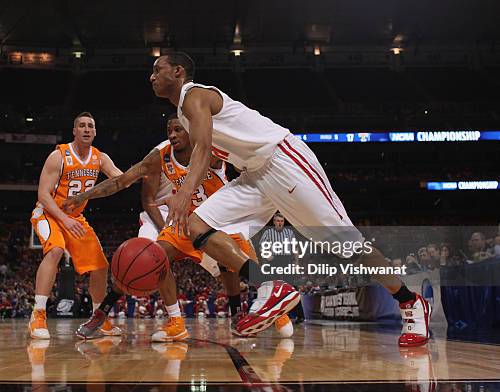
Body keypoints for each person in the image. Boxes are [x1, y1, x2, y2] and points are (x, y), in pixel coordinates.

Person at [148, 52, 431, 346]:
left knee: (349, 245)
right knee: (198, 225)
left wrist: (183, 193)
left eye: (158, 69)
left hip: (283, 161)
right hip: (255, 175)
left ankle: (409, 301)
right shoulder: (183, 113)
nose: (151, 76)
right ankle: (270, 286)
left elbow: (203, 149)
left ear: (178, 71)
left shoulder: (194, 95)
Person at [64, 116, 293, 340]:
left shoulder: (211, 149)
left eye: (178, 130)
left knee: (237, 263)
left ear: (191, 131)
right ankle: (175, 321)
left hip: (222, 220)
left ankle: (271, 307)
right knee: (155, 257)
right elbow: (120, 181)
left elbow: (248, 159)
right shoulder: (160, 156)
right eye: (169, 130)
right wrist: (85, 195)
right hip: (188, 223)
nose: (172, 135)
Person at [28, 112, 123, 339]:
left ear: (95, 131)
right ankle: (38, 315)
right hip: (48, 214)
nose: (87, 129)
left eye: (90, 125)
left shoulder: (100, 158)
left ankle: (98, 318)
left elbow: (120, 178)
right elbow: (43, 194)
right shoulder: (58, 156)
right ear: (74, 131)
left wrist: (142, 173)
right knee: (56, 251)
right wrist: (65, 219)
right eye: (82, 125)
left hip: (75, 218)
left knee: (100, 266)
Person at [138, 139, 173, 240]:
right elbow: (148, 200)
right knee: (144, 252)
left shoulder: (208, 149)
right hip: (159, 213)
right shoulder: (158, 154)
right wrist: (165, 231)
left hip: (191, 214)